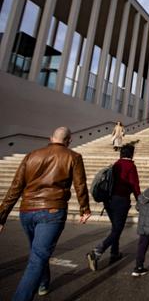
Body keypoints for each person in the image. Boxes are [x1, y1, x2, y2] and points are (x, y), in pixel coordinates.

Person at [0, 127, 91, 299]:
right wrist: (84, 208)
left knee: (38, 252)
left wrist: (2, 215)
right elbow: (80, 185)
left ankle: (43, 282)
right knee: (38, 257)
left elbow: (15, 187)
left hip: (27, 211)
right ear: (69, 140)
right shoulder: (73, 156)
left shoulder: (32, 155)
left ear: (51, 138)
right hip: (53, 210)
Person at [87, 144, 140, 271]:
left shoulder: (116, 164)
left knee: (115, 227)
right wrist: (140, 200)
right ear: (131, 154)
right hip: (121, 201)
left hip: (108, 201)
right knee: (117, 229)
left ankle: (114, 252)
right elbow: (134, 185)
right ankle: (97, 252)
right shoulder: (130, 166)